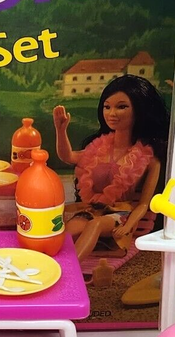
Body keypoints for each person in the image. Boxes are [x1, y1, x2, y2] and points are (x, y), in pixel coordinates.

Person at [52, 74, 169, 263]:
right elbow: (69, 157)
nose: (112, 113)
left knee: (96, 225)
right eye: (107, 107)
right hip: (94, 210)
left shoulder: (149, 159)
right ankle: (49, 263)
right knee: (69, 230)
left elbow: (143, 204)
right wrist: (60, 130)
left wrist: (129, 225)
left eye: (121, 107)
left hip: (121, 215)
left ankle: (69, 269)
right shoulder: (98, 148)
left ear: (140, 111)